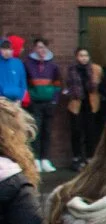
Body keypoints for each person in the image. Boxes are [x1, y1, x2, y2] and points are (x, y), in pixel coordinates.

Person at [24, 40, 60, 173]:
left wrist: (54, 100)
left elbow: (57, 84)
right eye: (39, 47)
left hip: (49, 102)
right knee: (36, 131)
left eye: (44, 47)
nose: (42, 50)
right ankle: (36, 159)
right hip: (35, 103)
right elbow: (25, 84)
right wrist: (29, 100)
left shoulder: (53, 65)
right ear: (35, 49)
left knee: (47, 131)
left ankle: (45, 159)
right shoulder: (28, 65)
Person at [65, 47, 103, 168]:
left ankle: (90, 157)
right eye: (81, 55)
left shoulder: (96, 69)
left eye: (86, 55)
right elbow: (67, 86)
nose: (84, 58)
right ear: (77, 57)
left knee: (90, 132)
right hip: (76, 104)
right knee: (76, 131)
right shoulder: (71, 70)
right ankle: (77, 157)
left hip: (91, 104)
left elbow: (100, 84)